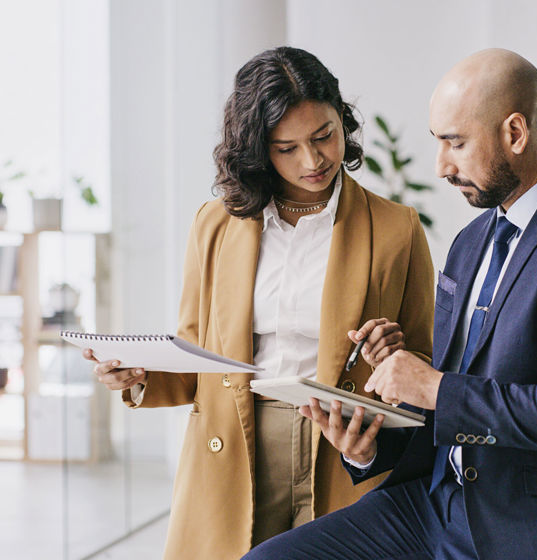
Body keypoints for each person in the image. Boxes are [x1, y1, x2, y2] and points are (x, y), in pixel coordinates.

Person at [244, 48, 537, 560]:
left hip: (535, 520)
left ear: (515, 133)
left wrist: (435, 385)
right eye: (438, 143)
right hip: (434, 504)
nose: (441, 166)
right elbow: (450, 400)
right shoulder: (470, 241)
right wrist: (369, 444)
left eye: (456, 143)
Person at [82, 46, 434, 560]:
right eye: (285, 147)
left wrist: (390, 357)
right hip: (235, 444)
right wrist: (138, 378)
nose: (312, 161)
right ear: (256, 148)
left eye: (324, 136)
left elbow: (423, 364)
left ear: (343, 120)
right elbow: (195, 350)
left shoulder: (396, 228)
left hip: (340, 445)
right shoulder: (216, 223)